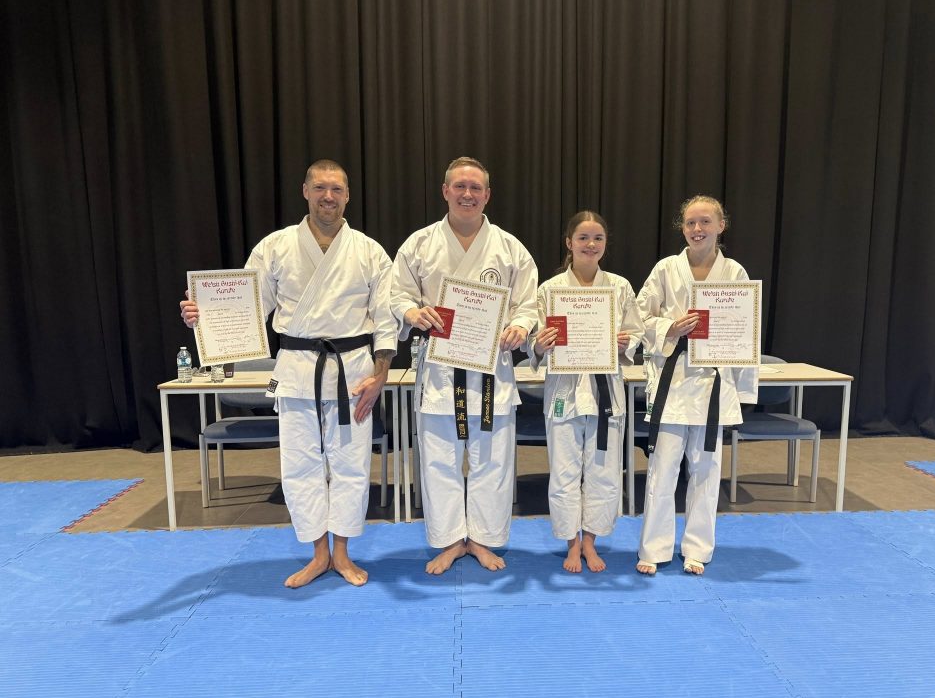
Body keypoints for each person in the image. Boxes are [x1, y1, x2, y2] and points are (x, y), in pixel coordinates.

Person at [180, 160, 397, 588]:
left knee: (352, 466)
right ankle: (318, 554)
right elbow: (248, 309)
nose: (328, 196)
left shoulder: (369, 251)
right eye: (320, 188)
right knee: (300, 466)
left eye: (336, 189)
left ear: (348, 196)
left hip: (353, 372)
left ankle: (342, 553)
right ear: (305, 191)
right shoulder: (275, 246)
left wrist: (381, 374)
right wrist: (204, 316)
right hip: (297, 370)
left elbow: (385, 318)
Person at [391, 157, 538, 575]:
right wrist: (411, 312)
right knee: (439, 462)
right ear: (445, 191)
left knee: (493, 462)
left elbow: (529, 303)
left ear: (487, 195)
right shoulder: (419, 244)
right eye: (459, 186)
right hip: (440, 373)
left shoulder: (510, 248)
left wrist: (521, 325)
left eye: (475, 188)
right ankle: (451, 541)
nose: (467, 194)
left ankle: (484, 540)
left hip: (492, 371)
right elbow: (396, 294)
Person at [635, 195, 758, 576]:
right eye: (690, 223)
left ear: (721, 226)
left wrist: (743, 387)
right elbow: (638, 316)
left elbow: (746, 330)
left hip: (712, 383)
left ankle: (697, 549)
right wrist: (669, 327)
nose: (697, 229)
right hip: (673, 380)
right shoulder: (666, 269)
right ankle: (654, 549)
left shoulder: (734, 273)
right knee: (662, 468)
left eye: (705, 221)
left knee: (706, 469)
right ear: (682, 228)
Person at [530, 211, 644, 572]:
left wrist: (626, 342)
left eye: (598, 238)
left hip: (606, 391)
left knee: (604, 472)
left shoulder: (619, 288)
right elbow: (535, 341)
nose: (590, 244)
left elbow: (636, 332)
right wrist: (540, 345)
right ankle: (571, 543)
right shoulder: (550, 290)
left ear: (605, 244)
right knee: (564, 473)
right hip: (564, 392)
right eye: (583, 238)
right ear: (569, 243)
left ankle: (591, 542)